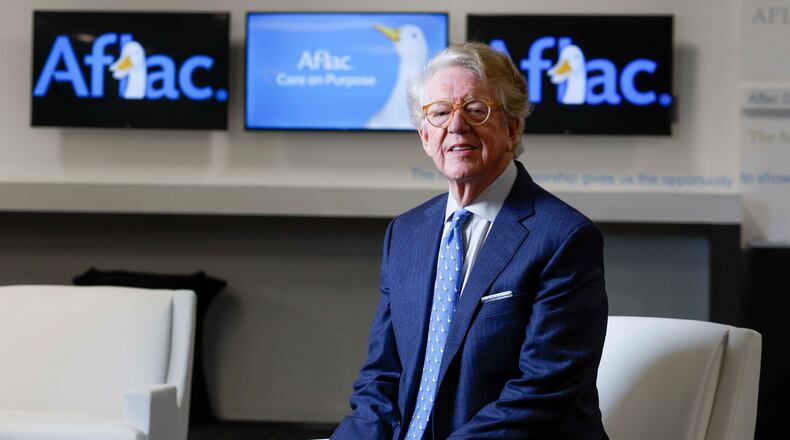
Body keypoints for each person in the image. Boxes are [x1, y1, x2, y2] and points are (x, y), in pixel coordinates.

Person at [331, 42, 608, 440]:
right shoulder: (405, 233)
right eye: (440, 113)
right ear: (426, 136)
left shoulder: (564, 238)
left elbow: (540, 395)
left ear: (512, 128)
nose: (456, 126)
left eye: (476, 110)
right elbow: (382, 380)